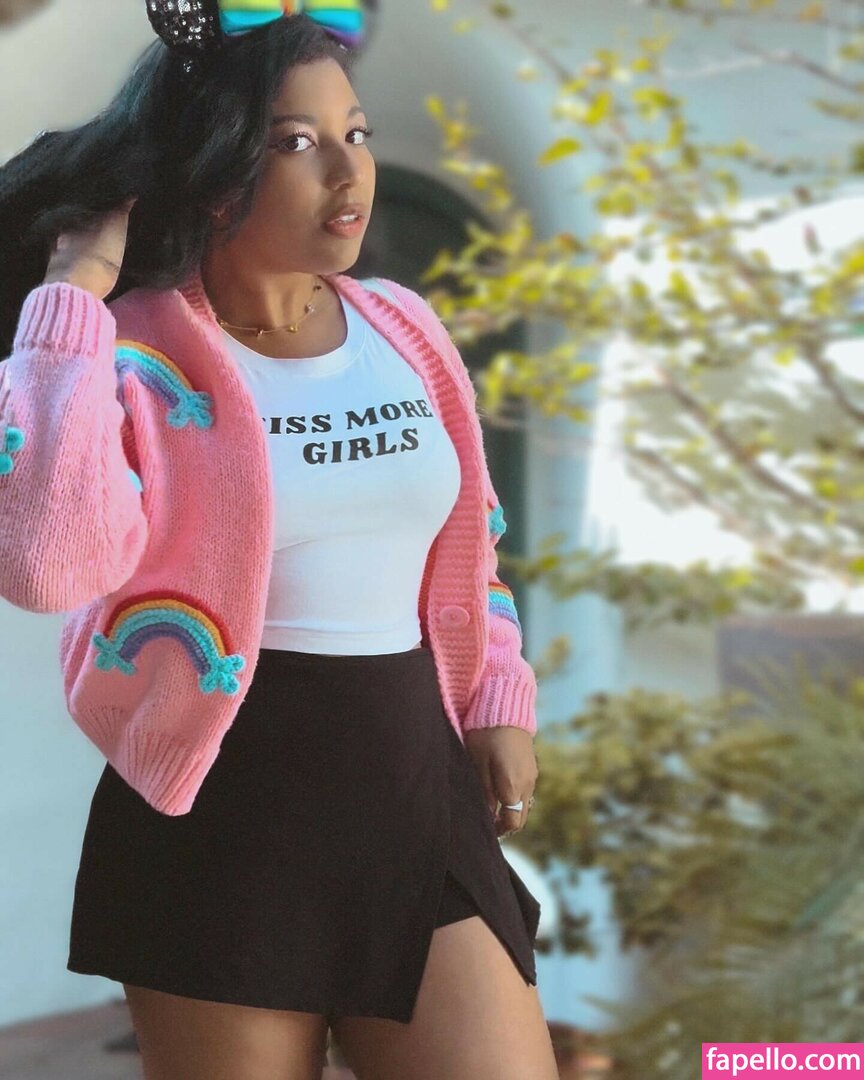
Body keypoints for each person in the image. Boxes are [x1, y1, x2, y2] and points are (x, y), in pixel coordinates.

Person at [0, 6, 559, 1078]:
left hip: (415, 780)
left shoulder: (403, 326)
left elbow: (469, 541)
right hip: (223, 807)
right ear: (211, 167)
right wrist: (69, 304)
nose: (348, 172)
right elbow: (47, 564)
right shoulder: (129, 349)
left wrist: (499, 697)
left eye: (356, 134)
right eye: (296, 143)